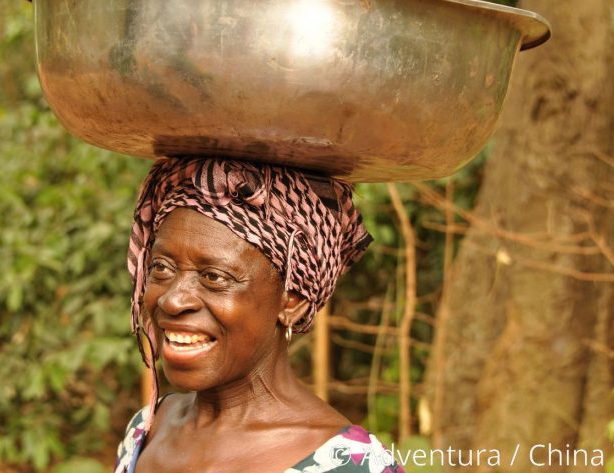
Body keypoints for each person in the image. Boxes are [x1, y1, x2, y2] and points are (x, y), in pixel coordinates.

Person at [115, 156, 404, 473]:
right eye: (161, 268)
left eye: (215, 277)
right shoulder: (146, 428)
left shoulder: (352, 465)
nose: (172, 301)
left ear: (291, 300)